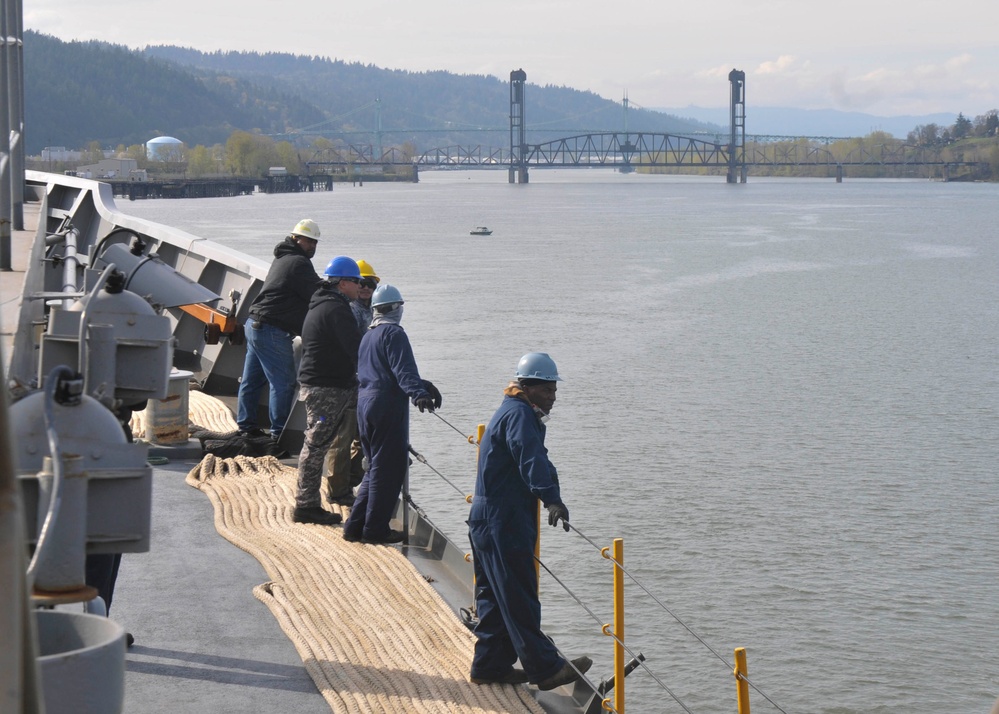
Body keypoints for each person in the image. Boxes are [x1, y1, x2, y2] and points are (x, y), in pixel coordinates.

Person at [467, 352, 592, 690]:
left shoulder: (513, 411)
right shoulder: (520, 415)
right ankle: (546, 669)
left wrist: (553, 491)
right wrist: (551, 498)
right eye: (548, 390)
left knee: (493, 597)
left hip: (485, 517)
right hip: (503, 520)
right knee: (519, 595)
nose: (554, 396)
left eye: (555, 390)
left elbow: (539, 458)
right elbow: (531, 458)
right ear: (530, 387)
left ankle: (490, 665)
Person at [342, 284, 442, 544]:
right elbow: (402, 369)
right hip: (386, 405)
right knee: (387, 471)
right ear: (397, 308)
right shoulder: (394, 334)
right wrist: (418, 394)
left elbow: (382, 369)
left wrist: (423, 385)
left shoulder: (368, 335)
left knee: (374, 468)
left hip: (365, 404)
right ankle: (375, 530)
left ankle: (354, 526)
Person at [236, 219, 322, 441]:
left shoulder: (282, 258)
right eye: (308, 241)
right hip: (271, 329)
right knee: (283, 383)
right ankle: (279, 434)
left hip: (255, 325)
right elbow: (315, 292)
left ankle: (246, 427)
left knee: (251, 381)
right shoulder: (298, 263)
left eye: (315, 242)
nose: (312, 246)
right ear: (296, 239)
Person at [293, 256, 363, 526]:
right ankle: (306, 505)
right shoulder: (336, 310)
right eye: (356, 281)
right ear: (343, 283)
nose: (360, 286)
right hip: (326, 389)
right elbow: (356, 349)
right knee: (316, 444)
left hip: (328, 385)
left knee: (319, 442)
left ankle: (335, 490)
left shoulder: (322, 304)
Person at [322, 258, 380, 506]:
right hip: (348, 382)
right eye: (361, 283)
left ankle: (349, 482)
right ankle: (338, 490)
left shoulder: (375, 312)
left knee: (362, 436)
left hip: (365, 383)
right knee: (343, 438)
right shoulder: (349, 311)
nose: (365, 288)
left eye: (371, 284)